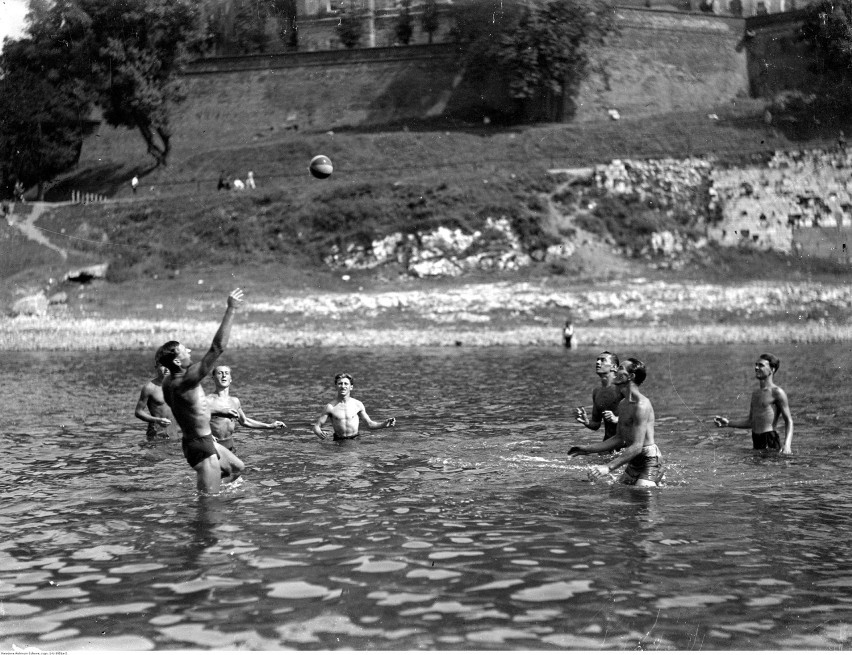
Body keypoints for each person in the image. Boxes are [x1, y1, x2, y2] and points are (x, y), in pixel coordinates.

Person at [159, 288, 247, 494]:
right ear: (177, 361)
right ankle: (205, 493)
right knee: (210, 505)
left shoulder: (168, 382)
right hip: (201, 446)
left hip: (199, 441)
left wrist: (218, 412)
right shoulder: (186, 379)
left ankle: (209, 485)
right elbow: (217, 348)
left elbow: (189, 410)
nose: (190, 351)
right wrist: (231, 309)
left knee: (236, 469)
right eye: (185, 350)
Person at [568, 357, 664, 487]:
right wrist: (587, 449)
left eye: (620, 368)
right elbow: (619, 438)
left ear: (630, 376)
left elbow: (637, 446)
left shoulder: (641, 405)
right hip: (634, 461)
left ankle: (657, 476)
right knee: (617, 493)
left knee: (641, 493)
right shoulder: (623, 404)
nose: (615, 370)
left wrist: (608, 467)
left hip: (649, 460)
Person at [713, 352, 793, 454]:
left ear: (772, 370)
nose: (756, 368)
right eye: (756, 364)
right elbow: (751, 422)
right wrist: (728, 423)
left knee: (770, 468)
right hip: (756, 439)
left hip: (770, 439)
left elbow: (789, 421)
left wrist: (787, 445)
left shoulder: (777, 392)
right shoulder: (755, 394)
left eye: (761, 365)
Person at [207, 364, 286, 455]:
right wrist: (207, 436)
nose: (224, 375)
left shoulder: (235, 401)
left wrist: (270, 426)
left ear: (230, 379)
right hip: (212, 446)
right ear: (213, 378)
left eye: (226, 373)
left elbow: (244, 421)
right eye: (220, 373)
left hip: (230, 446)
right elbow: (192, 423)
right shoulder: (208, 401)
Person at [312, 373, 396, 441]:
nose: (343, 386)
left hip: (355, 440)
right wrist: (318, 432)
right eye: (340, 383)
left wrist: (384, 424)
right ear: (336, 386)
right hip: (338, 441)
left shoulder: (357, 404)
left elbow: (369, 424)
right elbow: (316, 426)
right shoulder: (330, 407)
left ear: (351, 387)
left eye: (346, 384)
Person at [575, 351, 621, 441]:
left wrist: (617, 419)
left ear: (614, 367)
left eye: (603, 360)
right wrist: (587, 422)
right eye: (597, 360)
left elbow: (638, 416)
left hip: (626, 444)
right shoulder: (597, 391)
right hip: (607, 444)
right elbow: (596, 424)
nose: (598, 362)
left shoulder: (623, 387)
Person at [134, 347, 179, 440]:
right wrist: (157, 420)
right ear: (156, 367)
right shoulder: (150, 387)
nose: (167, 369)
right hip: (157, 433)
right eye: (163, 365)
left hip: (175, 432)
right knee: (156, 454)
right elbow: (138, 412)